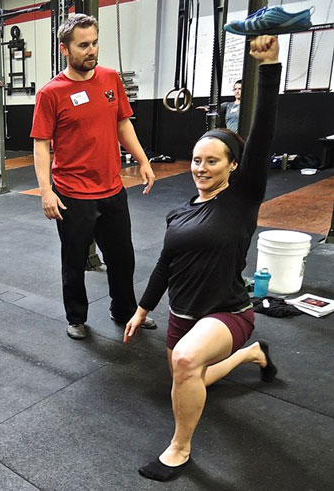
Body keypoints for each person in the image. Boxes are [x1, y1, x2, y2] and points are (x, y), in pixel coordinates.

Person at [123, 36, 281, 482]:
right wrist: (141, 309)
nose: (201, 167)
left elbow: (264, 132)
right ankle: (251, 356)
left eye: (213, 161)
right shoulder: (180, 212)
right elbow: (165, 266)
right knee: (190, 373)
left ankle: (179, 448)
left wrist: (268, 67)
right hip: (182, 314)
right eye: (196, 160)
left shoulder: (243, 198)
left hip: (228, 311)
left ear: (233, 165)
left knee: (187, 364)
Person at [30, 13, 157, 340]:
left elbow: (122, 123)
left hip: (112, 189)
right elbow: (42, 145)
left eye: (95, 43)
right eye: (83, 45)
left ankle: (125, 310)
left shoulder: (110, 79)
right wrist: (46, 191)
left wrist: (143, 160)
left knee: (122, 258)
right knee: (74, 263)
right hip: (72, 193)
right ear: (64, 49)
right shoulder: (51, 93)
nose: (91, 50)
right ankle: (76, 317)